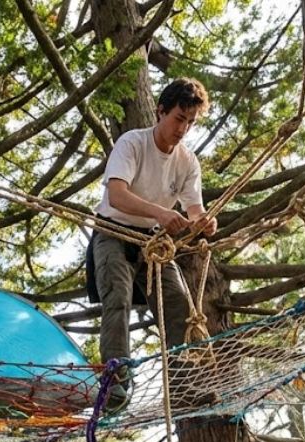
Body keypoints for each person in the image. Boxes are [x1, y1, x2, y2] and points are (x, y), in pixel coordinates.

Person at [86, 77, 218, 412]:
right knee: (116, 299)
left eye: (190, 122)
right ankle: (116, 388)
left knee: (179, 305)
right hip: (113, 232)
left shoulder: (187, 162)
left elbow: (194, 209)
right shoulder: (133, 143)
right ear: (160, 111)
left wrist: (204, 222)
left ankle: (184, 386)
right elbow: (117, 194)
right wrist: (161, 213)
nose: (183, 129)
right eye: (178, 118)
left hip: (153, 244)